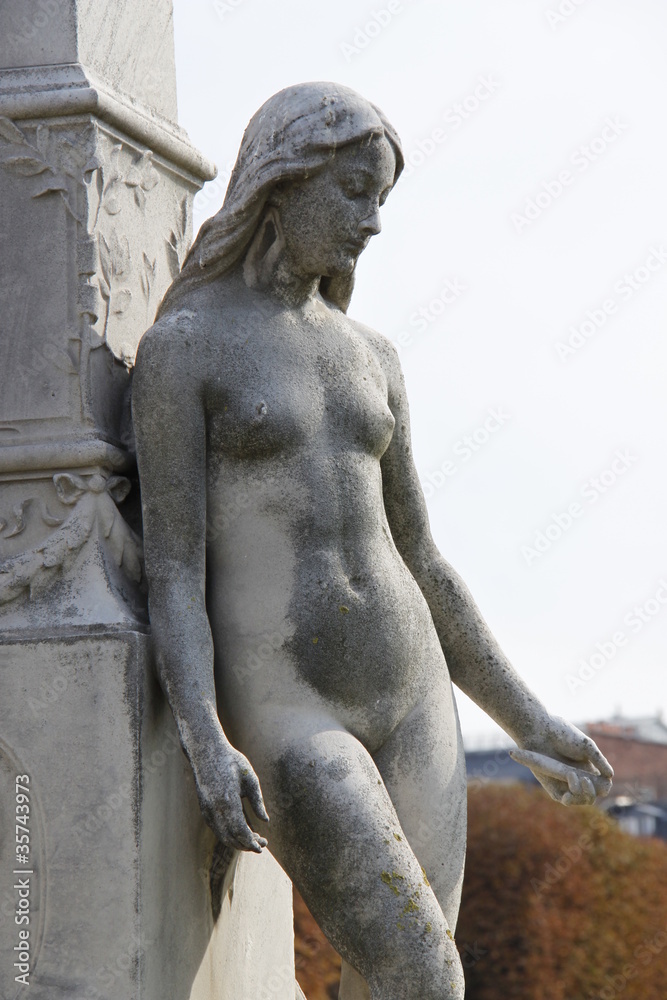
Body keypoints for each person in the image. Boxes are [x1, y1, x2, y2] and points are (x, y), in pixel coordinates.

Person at [132, 82, 612, 1000]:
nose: (372, 222)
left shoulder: (372, 356)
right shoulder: (184, 350)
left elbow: (421, 557)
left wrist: (528, 718)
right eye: (353, 191)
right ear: (283, 180)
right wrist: (203, 734)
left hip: (414, 692)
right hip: (290, 710)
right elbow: (174, 571)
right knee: (425, 975)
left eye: (380, 198)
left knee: (389, 984)